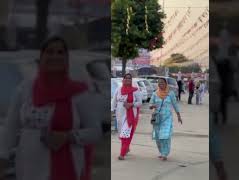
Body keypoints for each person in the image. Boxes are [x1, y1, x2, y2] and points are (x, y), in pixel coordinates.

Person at [0, 36, 103, 180]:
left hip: (67, 166)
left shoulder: (78, 93)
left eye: (60, 53)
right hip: (29, 168)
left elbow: (95, 131)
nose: (55, 56)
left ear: (66, 59)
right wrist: (3, 157)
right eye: (50, 52)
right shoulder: (25, 89)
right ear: (41, 58)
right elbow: (10, 127)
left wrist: (68, 136)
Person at [149, 78, 182, 161]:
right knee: (158, 137)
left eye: (162, 83)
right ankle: (161, 152)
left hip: (167, 118)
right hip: (157, 118)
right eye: (159, 83)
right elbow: (150, 104)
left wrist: (178, 115)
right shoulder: (155, 94)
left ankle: (165, 153)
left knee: (165, 136)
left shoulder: (170, 93)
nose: (161, 84)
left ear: (166, 84)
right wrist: (152, 106)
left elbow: (175, 104)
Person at [111, 73, 142, 160]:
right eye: (126, 78)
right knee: (122, 134)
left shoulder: (135, 90)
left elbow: (140, 103)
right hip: (120, 115)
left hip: (130, 115)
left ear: (131, 80)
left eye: (129, 78)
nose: (128, 80)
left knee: (125, 134)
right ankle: (126, 148)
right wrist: (111, 111)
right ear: (123, 79)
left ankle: (122, 154)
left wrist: (131, 104)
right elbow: (114, 102)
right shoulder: (119, 89)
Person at [216, 59, 232, 125]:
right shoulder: (227, 72)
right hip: (223, 90)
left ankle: (216, 118)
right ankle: (224, 118)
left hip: (219, 89)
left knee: (218, 104)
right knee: (223, 105)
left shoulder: (219, 71)